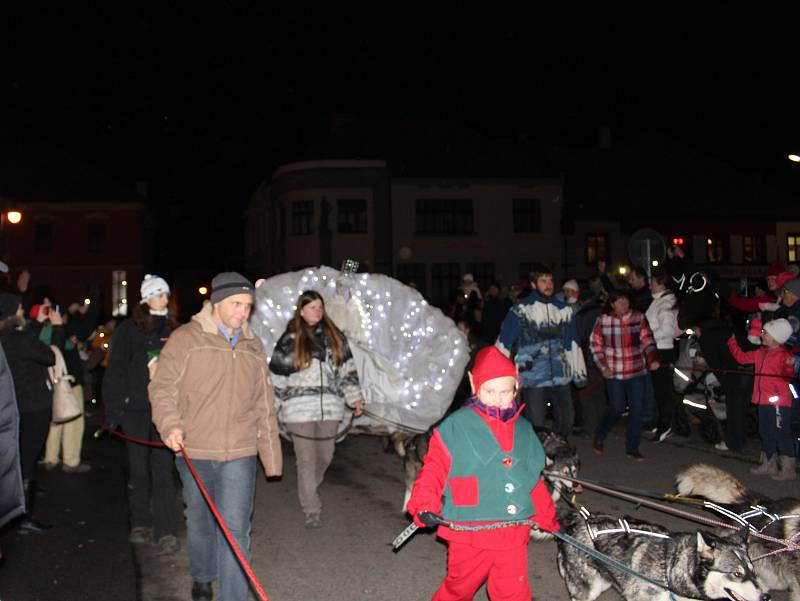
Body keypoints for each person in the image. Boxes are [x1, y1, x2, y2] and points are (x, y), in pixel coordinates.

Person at [150, 272, 282, 601]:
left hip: (240, 451)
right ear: (217, 302)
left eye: (248, 307)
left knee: (236, 530)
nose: (242, 312)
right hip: (195, 449)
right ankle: (203, 574)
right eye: (236, 304)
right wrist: (170, 425)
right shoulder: (187, 339)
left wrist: (272, 458)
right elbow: (163, 387)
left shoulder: (253, 346)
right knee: (199, 522)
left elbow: (265, 404)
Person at [406, 346, 560, 601]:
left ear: (516, 388)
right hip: (471, 529)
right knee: (459, 589)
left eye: (505, 392)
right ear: (475, 385)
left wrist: (547, 517)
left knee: (514, 593)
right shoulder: (456, 426)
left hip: (513, 531)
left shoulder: (524, 430)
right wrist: (423, 503)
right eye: (490, 391)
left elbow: (531, 479)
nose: (498, 399)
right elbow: (434, 469)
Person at [269, 290, 364, 528]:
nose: (317, 311)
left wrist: (355, 398)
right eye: (312, 307)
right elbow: (277, 377)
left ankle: (308, 486)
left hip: (330, 407)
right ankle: (311, 507)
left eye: (320, 306)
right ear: (301, 311)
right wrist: (272, 407)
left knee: (325, 455)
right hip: (298, 409)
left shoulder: (335, 338)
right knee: (306, 460)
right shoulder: (289, 340)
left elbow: (347, 370)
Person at [103, 275, 180, 552]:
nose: (164, 298)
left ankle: (167, 529)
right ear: (147, 298)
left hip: (165, 411)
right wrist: (113, 410)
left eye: (165, 293)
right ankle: (141, 523)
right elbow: (116, 370)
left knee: (162, 469)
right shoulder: (128, 330)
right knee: (138, 469)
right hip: (135, 410)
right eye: (158, 294)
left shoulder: (175, 329)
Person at [496, 263, 586, 438]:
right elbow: (504, 343)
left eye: (550, 280)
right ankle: (538, 458)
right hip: (533, 378)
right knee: (536, 425)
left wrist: (579, 374)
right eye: (543, 280)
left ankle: (559, 453)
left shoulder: (564, 309)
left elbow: (572, 343)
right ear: (533, 284)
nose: (549, 284)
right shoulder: (520, 310)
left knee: (568, 420)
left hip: (561, 376)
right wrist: (497, 377)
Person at [0, 292, 64, 532]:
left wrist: (36, 323)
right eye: (20, 309)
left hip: (12, 406)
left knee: (17, 456)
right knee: (28, 458)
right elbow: (48, 356)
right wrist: (57, 328)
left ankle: (16, 507)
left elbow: (28, 343)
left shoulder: (6, 337)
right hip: (35, 406)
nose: (23, 312)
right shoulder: (21, 337)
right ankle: (24, 515)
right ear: (14, 312)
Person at [591, 289, 659, 460]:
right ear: (612, 304)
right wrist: (603, 366)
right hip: (614, 372)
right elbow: (595, 345)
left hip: (636, 370)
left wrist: (652, 359)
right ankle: (600, 433)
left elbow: (648, 340)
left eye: (625, 299)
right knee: (617, 407)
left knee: (637, 409)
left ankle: (632, 447)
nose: (623, 303)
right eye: (619, 300)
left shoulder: (638, 317)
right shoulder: (603, 320)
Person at [727, 318, 796, 480]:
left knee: (781, 434)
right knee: (765, 432)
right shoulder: (760, 352)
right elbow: (742, 358)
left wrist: (788, 365)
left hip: (778, 403)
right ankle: (768, 464)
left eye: (767, 333)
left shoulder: (784, 355)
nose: (762, 335)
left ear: (777, 337)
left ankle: (788, 469)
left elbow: (787, 376)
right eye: (763, 332)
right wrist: (732, 343)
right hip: (763, 401)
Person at [645, 268, 679, 442]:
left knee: (663, 391)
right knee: (659, 391)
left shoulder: (665, 304)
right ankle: (662, 422)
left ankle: (666, 425)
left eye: (652, 283)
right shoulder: (658, 301)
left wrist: (648, 336)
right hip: (657, 349)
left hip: (662, 350)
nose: (650, 286)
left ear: (660, 284)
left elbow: (666, 330)